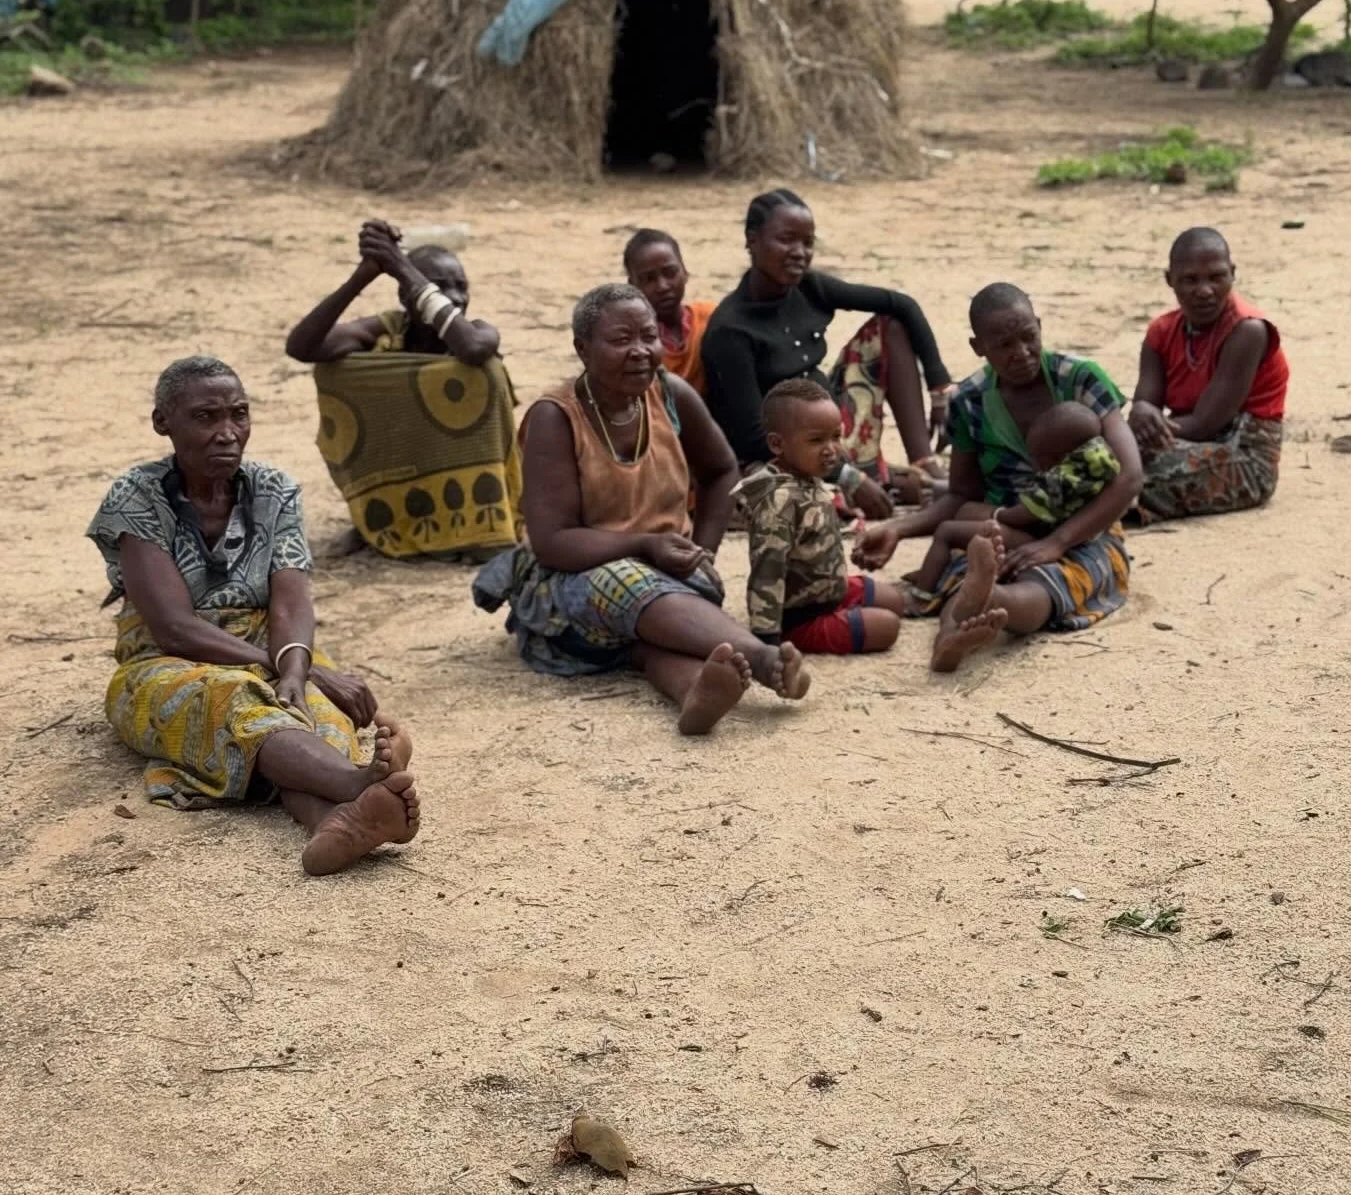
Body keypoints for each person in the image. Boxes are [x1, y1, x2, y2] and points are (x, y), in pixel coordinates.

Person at [87, 357, 421, 876]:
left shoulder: (273, 489)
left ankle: (335, 824)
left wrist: (294, 670)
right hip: (164, 660)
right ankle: (359, 783)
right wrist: (300, 668)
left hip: (269, 643)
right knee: (236, 700)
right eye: (205, 417)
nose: (227, 433)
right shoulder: (137, 497)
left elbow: (290, 600)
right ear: (163, 422)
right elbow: (173, 627)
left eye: (238, 415)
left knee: (313, 712)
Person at [473, 285, 812, 734]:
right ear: (582, 349)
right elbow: (553, 543)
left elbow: (721, 469)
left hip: (673, 589)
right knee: (624, 580)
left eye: (648, 337)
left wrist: (701, 552)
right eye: (620, 340)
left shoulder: (669, 394)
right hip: (568, 594)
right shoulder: (555, 418)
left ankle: (694, 690)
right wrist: (646, 544)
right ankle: (762, 658)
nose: (640, 351)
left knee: (643, 637)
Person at [854, 284, 1142, 671]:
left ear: (1039, 326)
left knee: (1049, 582)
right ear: (979, 348)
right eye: (1004, 345)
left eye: (1028, 337)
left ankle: (994, 598)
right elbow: (960, 495)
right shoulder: (969, 401)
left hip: (1087, 530)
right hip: (1001, 530)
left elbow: (1130, 476)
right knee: (973, 570)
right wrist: (898, 529)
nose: (1020, 353)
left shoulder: (1080, 379)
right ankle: (948, 640)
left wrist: (1058, 541)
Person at [700, 189, 955, 515]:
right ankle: (866, 483)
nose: (799, 253)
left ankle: (924, 465)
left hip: (839, 427)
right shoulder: (731, 330)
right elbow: (753, 438)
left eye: (807, 243)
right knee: (819, 500)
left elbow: (901, 305)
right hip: (787, 451)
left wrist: (940, 388)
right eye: (786, 240)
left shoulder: (808, 287)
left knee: (890, 328)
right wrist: (846, 477)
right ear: (752, 240)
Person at [285, 220, 522, 558]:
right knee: (337, 369)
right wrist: (363, 276)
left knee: (487, 371)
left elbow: (471, 348)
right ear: (405, 296)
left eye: (461, 287)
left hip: (467, 488)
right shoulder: (387, 330)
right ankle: (385, 519)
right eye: (440, 287)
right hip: (405, 464)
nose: (455, 297)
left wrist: (402, 267)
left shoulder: (478, 332)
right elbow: (302, 347)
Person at [736, 379, 908, 656]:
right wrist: (766, 643)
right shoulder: (777, 504)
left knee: (895, 600)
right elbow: (766, 574)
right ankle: (810, 629)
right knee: (888, 626)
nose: (831, 449)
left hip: (829, 590)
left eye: (836, 437)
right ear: (778, 444)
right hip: (802, 616)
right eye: (817, 440)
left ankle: (846, 606)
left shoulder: (806, 473)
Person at [1129, 226, 1289, 521]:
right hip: (1187, 443)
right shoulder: (1161, 332)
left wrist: (1143, 427)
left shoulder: (1248, 330)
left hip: (1245, 458)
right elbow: (1144, 409)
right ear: (1169, 280)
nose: (1204, 291)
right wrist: (1139, 416)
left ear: (1232, 273)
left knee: (1122, 472)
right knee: (1100, 456)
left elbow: (1206, 423)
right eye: (1190, 280)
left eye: (1216, 277)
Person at [906, 401, 1120, 601]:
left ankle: (922, 595)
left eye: (1037, 458)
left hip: (1039, 540)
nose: (1035, 465)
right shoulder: (1097, 467)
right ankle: (937, 571)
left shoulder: (1060, 482)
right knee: (967, 515)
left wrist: (996, 514)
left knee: (948, 530)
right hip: (1080, 539)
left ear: (1055, 457)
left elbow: (1022, 516)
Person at [623, 228, 716, 395]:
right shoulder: (635, 345)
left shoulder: (710, 318)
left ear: (685, 272)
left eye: (670, 273)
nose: (663, 286)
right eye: (649, 279)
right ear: (633, 286)